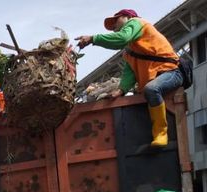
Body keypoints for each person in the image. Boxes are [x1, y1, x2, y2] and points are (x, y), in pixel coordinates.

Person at [76, 9, 182, 148]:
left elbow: (122, 39)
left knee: (151, 89)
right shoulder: (130, 50)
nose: (114, 26)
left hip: (171, 72)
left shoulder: (137, 22)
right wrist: (121, 90)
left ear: (127, 17)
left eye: (116, 21)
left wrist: (93, 39)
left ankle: (161, 133)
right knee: (144, 90)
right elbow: (129, 72)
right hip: (158, 77)